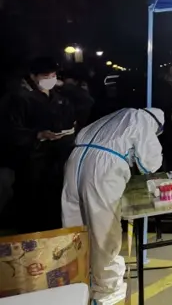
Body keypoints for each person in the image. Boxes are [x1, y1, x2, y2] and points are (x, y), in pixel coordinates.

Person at [61, 107, 164, 305]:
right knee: (104, 229)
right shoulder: (142, 120)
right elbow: (150, 164)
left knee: (75, 224)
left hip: (75, 161)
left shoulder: (113, 117)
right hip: (101, 168)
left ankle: (77, 280)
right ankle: (108, 289)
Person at [7, 57, 76, 233]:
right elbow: (11, 131)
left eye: (53, 75)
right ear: (33, 76)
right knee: (32, 206)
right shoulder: (20, 100)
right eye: (46, 75)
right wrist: (37, 135)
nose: (50, 79)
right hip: (32, 162)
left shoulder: (61, 99)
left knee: (55, 203)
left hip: (57, 160)